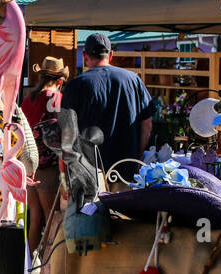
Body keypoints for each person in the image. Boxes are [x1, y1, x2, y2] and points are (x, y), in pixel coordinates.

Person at [59, 33, 154, 174]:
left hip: (88, 173)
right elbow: (147, 124)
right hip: (126, 170)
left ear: (85, 56)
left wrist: (65, 172)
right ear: (110, 55)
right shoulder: (134, 80)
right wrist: (137, 157)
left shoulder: (76, 85)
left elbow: (66, 132)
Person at [20, 56, 69, 252]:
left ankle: (26, 262)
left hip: (29, 164)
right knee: (52, 217)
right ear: (59, 81)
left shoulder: (28, 99)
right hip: (50, 166)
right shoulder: (58, 100)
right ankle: (47, 266)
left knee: (35, 218)